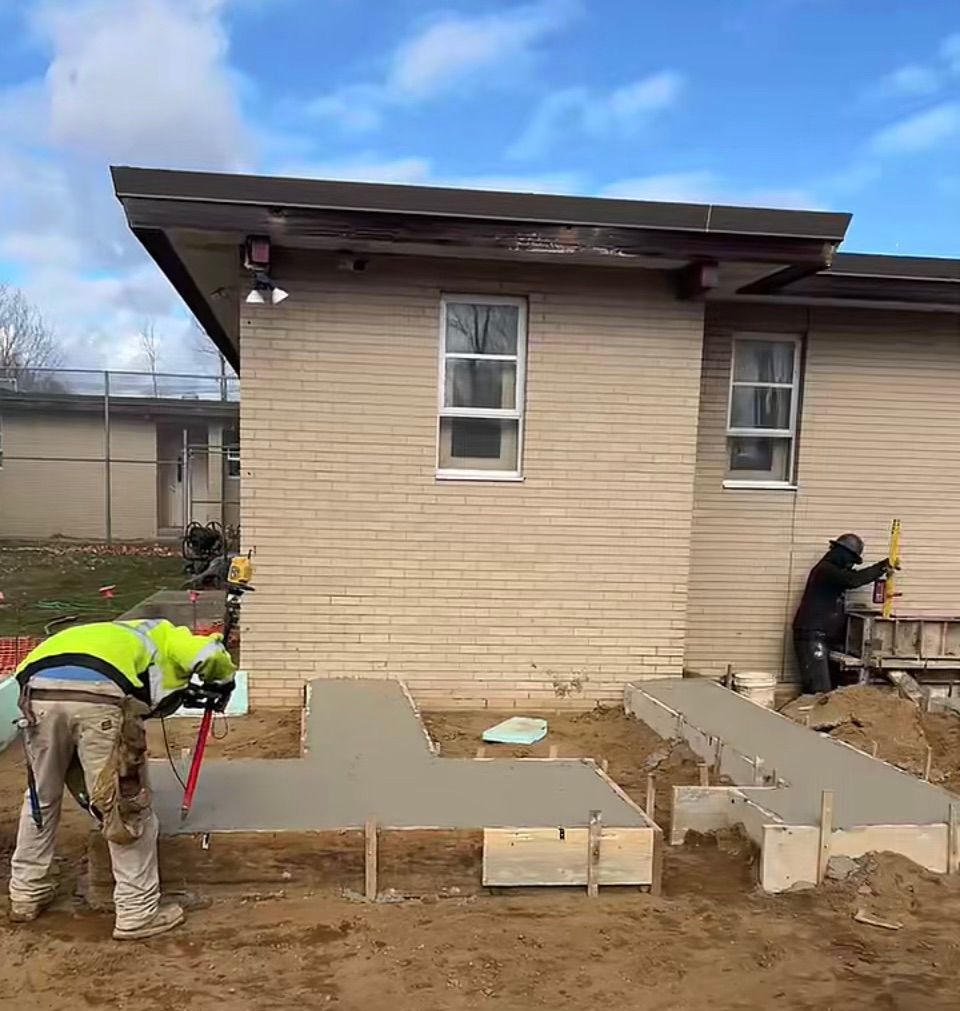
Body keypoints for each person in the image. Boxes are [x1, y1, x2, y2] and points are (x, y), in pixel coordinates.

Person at [8, 618, 235, 939]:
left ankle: (26, 894)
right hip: (99, 699)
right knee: (124, 806)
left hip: (37, 695)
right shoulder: (167, 634)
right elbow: (210, 654)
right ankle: (137, 912)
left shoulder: (94, 634)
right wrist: (223, 680)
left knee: (40, 798)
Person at [792, 533, 894, 694]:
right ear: (841, 553)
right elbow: (852, 580)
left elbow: (851, 578)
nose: (850, 564)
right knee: (819, 689)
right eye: (851, 559)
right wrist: (881, 567)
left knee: (830, 687)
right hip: (811, 634)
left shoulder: (831, 570)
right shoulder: (826, 570)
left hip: (821, 635)